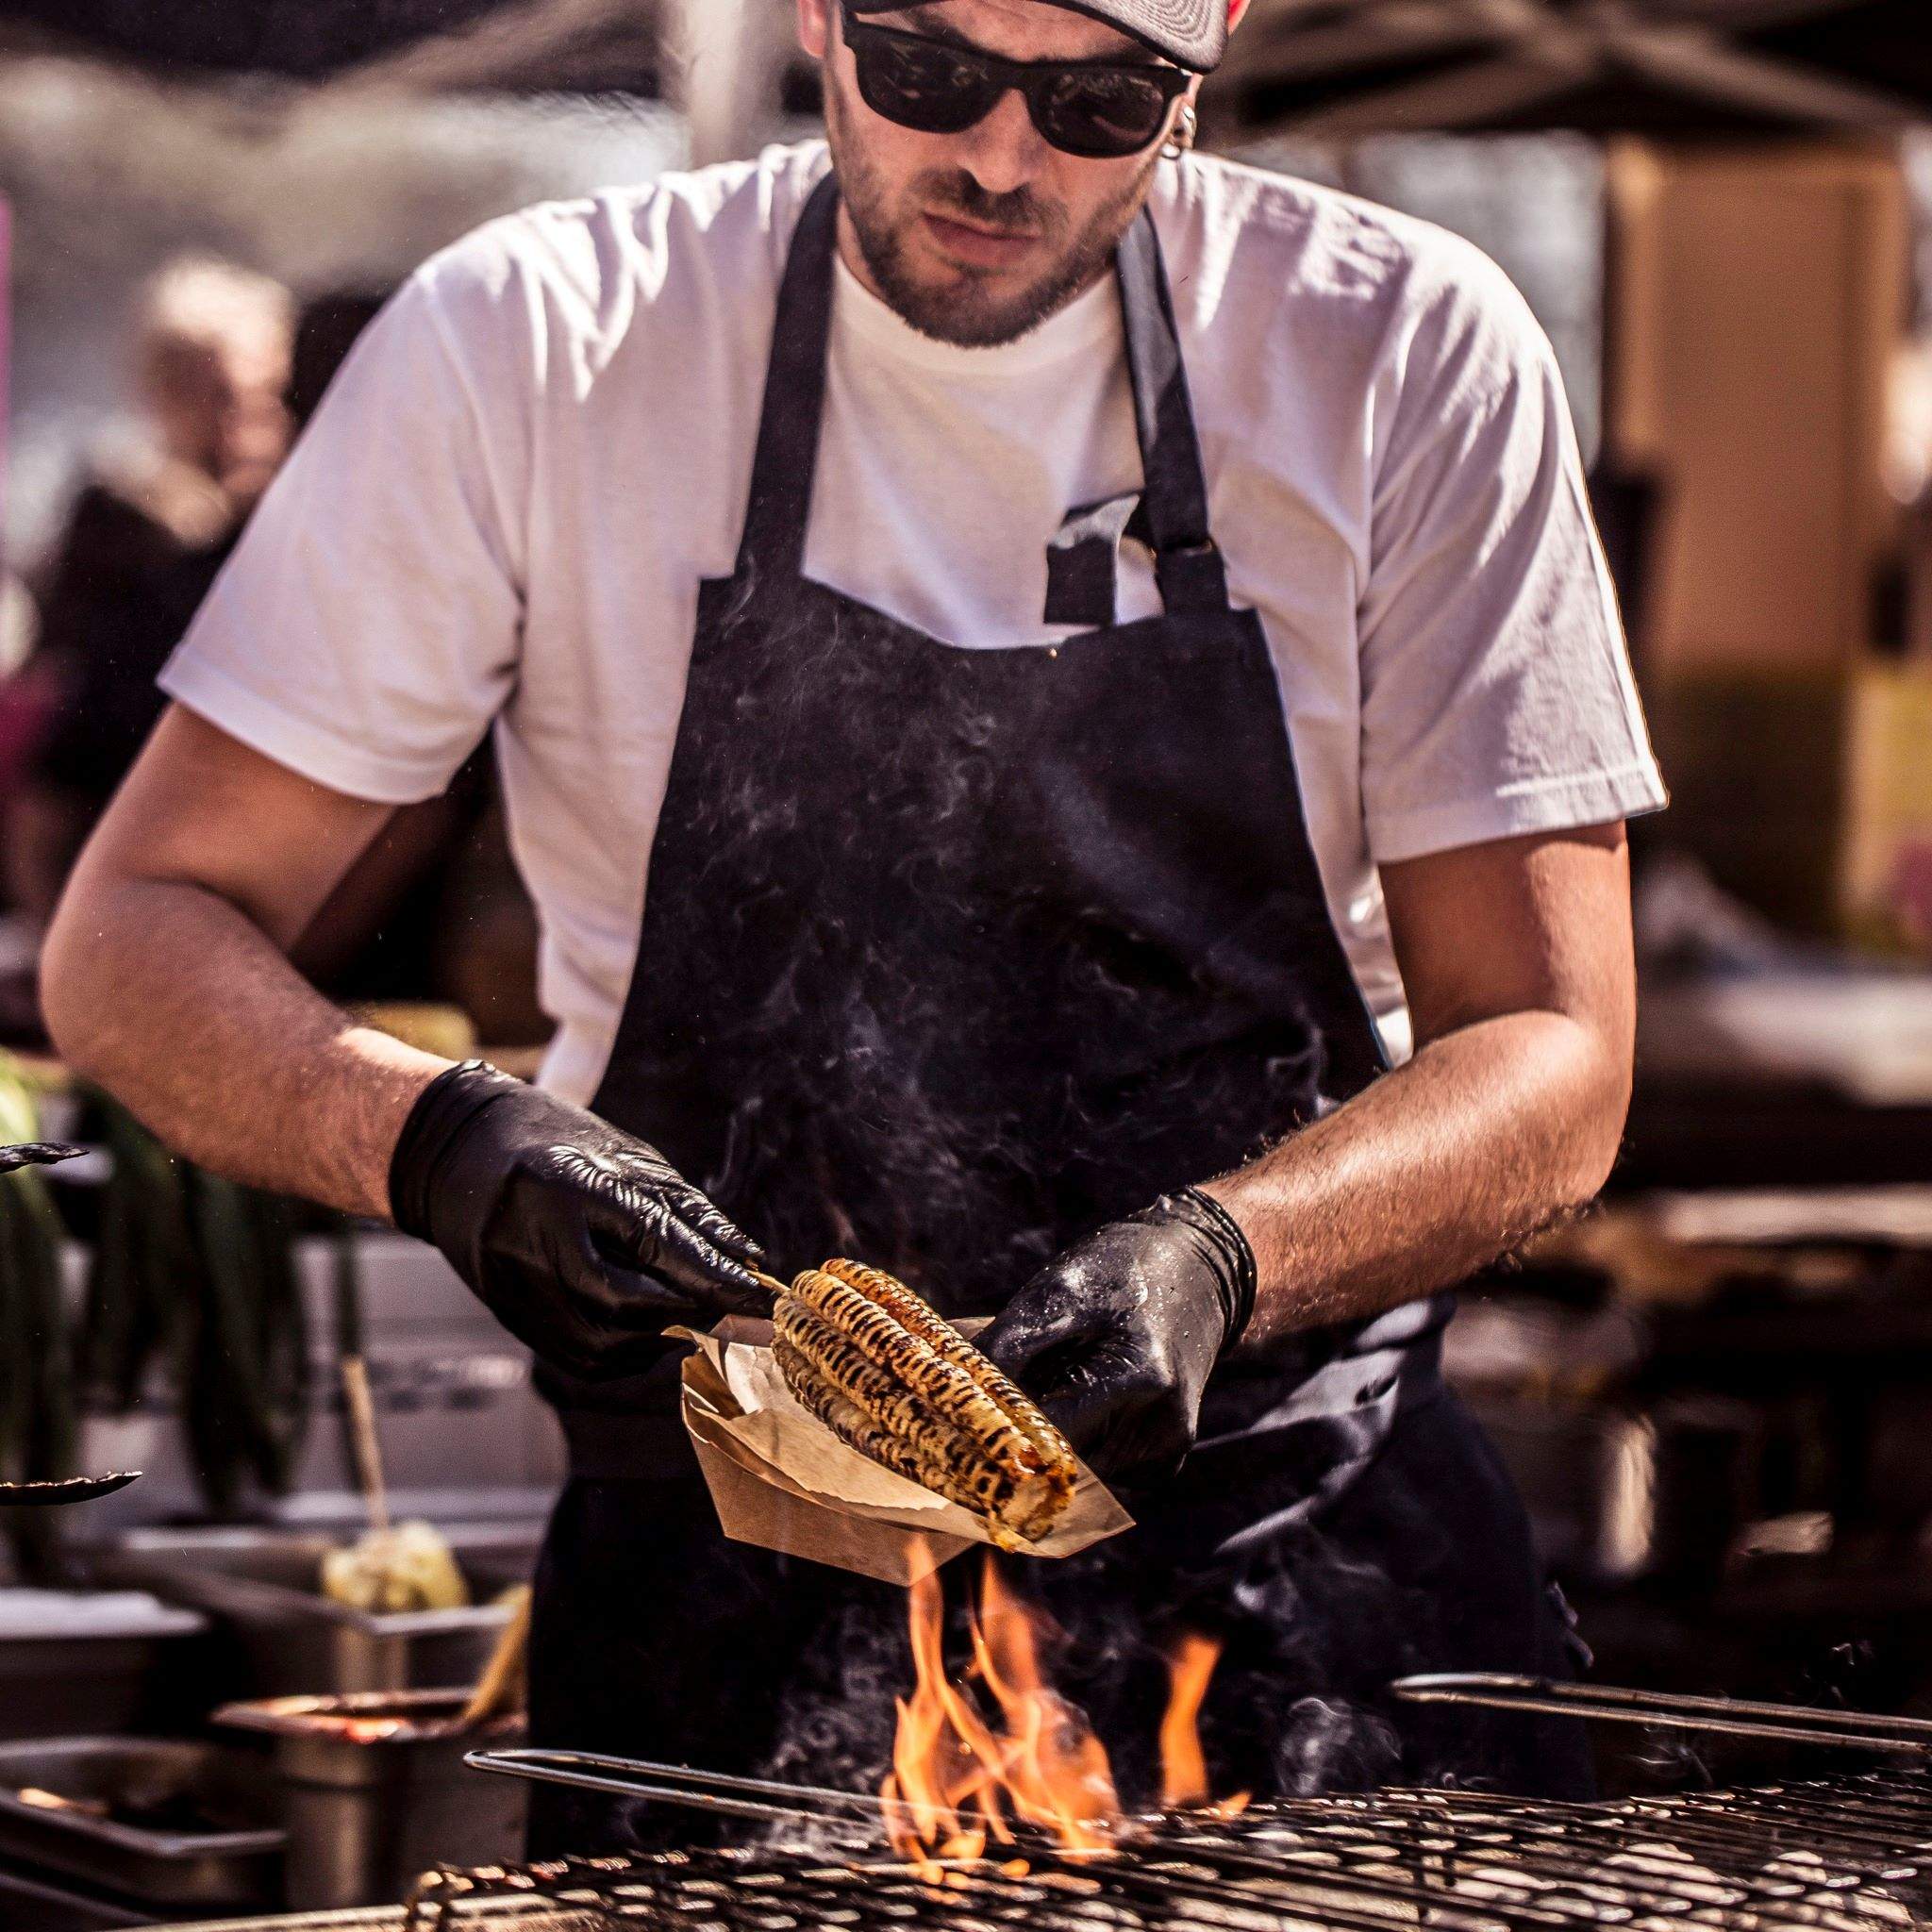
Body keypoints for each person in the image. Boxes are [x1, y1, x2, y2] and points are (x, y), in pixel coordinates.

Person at [42, 0, 1667, 1839]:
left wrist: (1223, 1260)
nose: (995, 155)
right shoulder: (540, 342)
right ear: (814, 12)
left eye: (1098, 101)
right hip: (731, 1619)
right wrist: (448, 1144)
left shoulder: (1395, 347)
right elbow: (139, 933)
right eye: (923, 71)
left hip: (1295, 1610)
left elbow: (1552, 1043)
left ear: (1212, 46)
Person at [8, 258, 293, 924]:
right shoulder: (127, 518)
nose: (240, 422)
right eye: (210, 393)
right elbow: (63, 746)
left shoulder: (281, 515)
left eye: (259, 397)